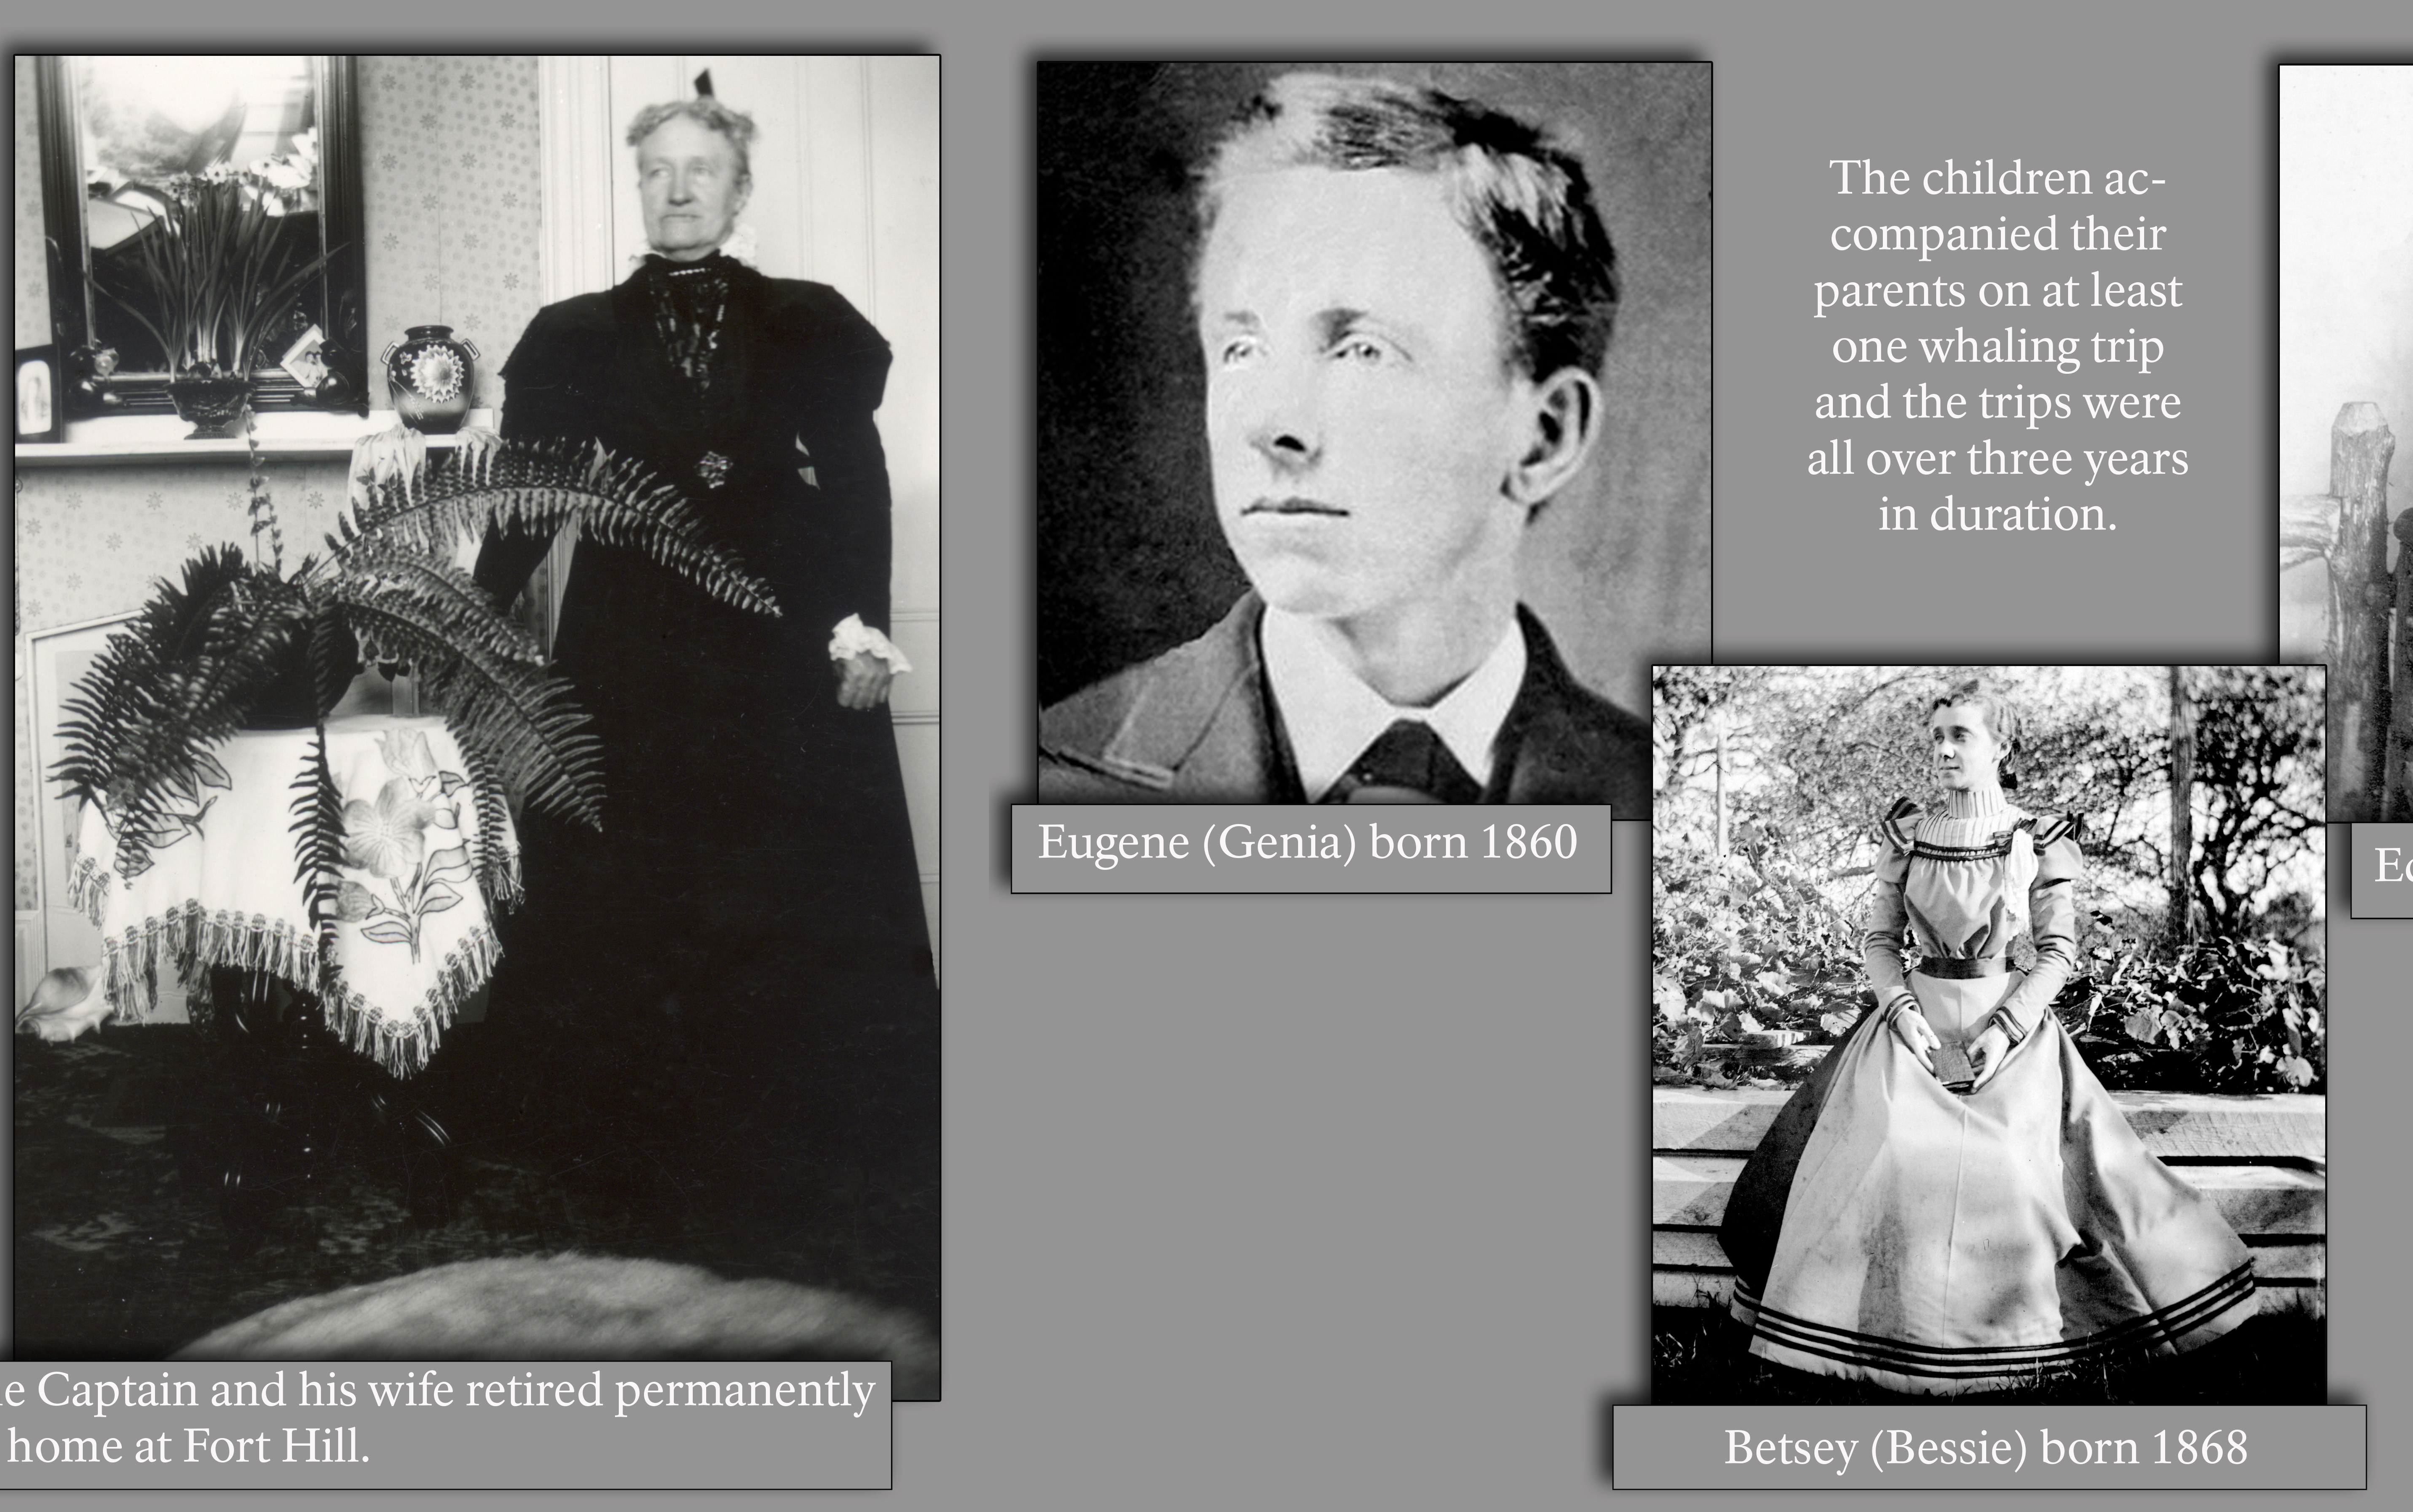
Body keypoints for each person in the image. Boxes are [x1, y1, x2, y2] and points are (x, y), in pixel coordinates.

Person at [471, 76, 934, 1304]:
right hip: (630, 654)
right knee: (635, 886)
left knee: (777, 890)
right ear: (640, 188)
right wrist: (463, 616)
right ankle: (637, 1154)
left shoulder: (811, 323)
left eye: (703, 171)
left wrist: (861, 631)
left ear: (740, 191)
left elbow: (858, 490)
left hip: (778, 652)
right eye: (658, 171)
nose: (679, 190)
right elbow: (523, 499)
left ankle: (784, 1154)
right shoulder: (570, 334)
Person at [1041, 73, 1648, 814]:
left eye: (1364, 350)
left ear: (1544, 438)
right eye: (1242, 348)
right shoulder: (1047, 784)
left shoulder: (1665, 806)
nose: (1270, 426)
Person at [1714, 681, 2256, 1394]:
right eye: (1936, 735)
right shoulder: (1908, 834)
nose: (1943, 749)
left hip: (2010, 1030)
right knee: (1884, 1151)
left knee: (2019, 1169)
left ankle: (2017, 1341)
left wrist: (2005, 1031)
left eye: (1961, 735)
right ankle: (1868, 1338)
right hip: (1912, 1027)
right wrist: (1902, 1009)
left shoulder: (2038, 839)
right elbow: (1882, 942)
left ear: (2002, 746)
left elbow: (2058, 953)